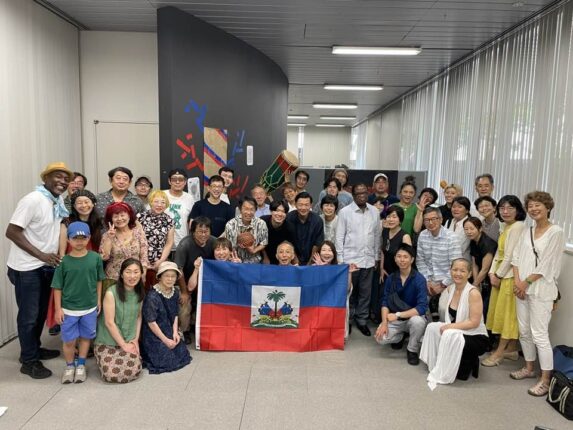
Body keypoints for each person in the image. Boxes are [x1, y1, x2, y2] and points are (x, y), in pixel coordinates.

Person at [6, 161, 73, 378]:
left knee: (41, 313)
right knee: (29, 315)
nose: (62, 181)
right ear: (45, 178)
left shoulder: (56, 200)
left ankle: (33, 349)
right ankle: (28, 361)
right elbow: (12, 231)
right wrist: (42, 255)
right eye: (58, 176)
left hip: (46, 266)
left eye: (66, 179)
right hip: (27, 268)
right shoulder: (33, 199)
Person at [510, 191, 565, 397]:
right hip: (522, 288)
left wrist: (525, 283)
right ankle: (529, 368)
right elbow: (516, 257)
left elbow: (547, 264)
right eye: (530, 206)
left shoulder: (556, 232)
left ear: (548, 207)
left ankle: (545, 379)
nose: (533, 209)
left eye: (538, 205)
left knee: (539, 335)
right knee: (524, 331)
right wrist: (517, 282)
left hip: (541, 289)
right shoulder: (528, 230)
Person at [420, 259, 489, 389]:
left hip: (476, 336)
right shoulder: (450, 289)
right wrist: (447, 326)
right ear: (450, 271)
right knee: (432, 327)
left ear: (469, 274)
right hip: (459, 330)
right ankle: (437, 363)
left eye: (462, 271)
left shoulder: (473, 293)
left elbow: (474, 323)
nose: (458, 273)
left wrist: (449, 327)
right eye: (455, 270)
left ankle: (470, 359)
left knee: (449, 333)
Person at [52, 222, 105, 384]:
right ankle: (70, 366)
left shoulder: (95, 258)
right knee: (69, 340)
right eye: (75, 238)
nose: (79, 242)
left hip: (89, 307)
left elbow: (99, 280)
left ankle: (81, 364)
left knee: (85, 338)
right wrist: (58, 309)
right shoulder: (63, 262)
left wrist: (98, 300)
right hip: (69, 309)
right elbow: (57, 287)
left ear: (88, 238)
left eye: (83, 238)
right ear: (68, 240)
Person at [481, 195, 526, 367]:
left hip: (509, 277)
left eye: (510, 208)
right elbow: (498, 254)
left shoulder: (518, 226)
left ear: (518, 210)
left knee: (508, 317)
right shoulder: (506, 226)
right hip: (500, 275)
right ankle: (512, 349)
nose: (505, 212)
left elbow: (510, 256)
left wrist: (497, 275)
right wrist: (492, 273)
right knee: (501, 313)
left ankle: (499, 353)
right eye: (502, 208)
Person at [336, 183, 381, 336]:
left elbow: (377, 235)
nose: (361, 196)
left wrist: (376, 257)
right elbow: (339, 237)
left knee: (365, 293)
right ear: (353, 195)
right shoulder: (344, 212)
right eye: (358, 193)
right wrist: (341, 260)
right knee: (350, 292)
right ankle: (348, 320)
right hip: (350, 261)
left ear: (368, 193)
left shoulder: (374, 211)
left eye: (364, 193)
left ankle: (362, 320)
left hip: (368, 260)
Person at [375, 244, 428, 365]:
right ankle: (401, 336)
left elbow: (422, 307)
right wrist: (384, 323)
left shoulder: (419, 279)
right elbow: (385, 302)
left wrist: (398, 315)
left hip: (411, 318)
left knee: (418, 322)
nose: (402, 260)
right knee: (381, 338)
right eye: (399, 256)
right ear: (395, 259)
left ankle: (412, 349)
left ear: (412, 259)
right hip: (396, 320)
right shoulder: (391, 278)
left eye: (405, 257)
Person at [94, 258, 144, 383]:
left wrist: (135, 339)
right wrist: (123, 346)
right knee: (112, 374)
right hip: (107, 340)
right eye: (128, 272)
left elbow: (139, 317)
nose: (132, 276)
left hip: (129, 338)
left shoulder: (140, 293)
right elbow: (109, 323)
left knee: (133, 370)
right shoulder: (111, 293)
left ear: (141, 274)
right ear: (121, 274)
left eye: (136, 272)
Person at [141, 261, 192, 374]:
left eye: (173, 276)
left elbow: (175, 314)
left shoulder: (175, 292)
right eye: (166, 276)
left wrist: (175, 332)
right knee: (166, 360)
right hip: (154, 332)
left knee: (181, 352)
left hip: (168, 328)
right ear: (160, 277)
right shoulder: (152, 296)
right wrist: (165, 340)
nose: (170, 279)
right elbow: (151, 322)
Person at [174, 216, 216, 343]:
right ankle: (184, 331)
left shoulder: (214, 242)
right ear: (193, 231)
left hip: (206, 283)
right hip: (185, 281)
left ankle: (200, 326)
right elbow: (179, 270)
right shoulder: (184, 244)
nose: (203, 235)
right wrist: (184, 292)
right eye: (200, 231)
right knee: (184, 304)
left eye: (206, 231)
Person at [416, 207, 462, 321]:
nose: (430, 223)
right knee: (419, 304)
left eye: (434, 219)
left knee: (442, 308)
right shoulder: (422, 235)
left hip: (448, 281)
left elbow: (456, 266)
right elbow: (420, 261)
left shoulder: (451, 237)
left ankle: (443, 329)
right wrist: (427, 281)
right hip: (428, 281)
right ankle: (427, 328)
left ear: (441, 220)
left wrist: (442, 285)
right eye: (427, 220)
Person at [99, 202, 149, 288]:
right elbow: (104, 257)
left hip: (134, 278)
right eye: (115, 216)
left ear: (129, 216)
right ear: (111, 220)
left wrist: (143, 273)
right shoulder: (107, 235)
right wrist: (110, 238)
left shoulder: (138, 233)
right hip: (113, 279)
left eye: (122, 215)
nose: (120, 219)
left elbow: (144, 256)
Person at [137, 190, 175, 288]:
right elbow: (136, 239)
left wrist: (161, 260)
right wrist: (143, 261)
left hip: (159, 261)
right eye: (156, 201)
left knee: (157, 289)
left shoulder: (169, 220)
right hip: (140, 259)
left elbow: (169, 243)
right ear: (151, 202)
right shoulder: (140, 217)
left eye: (163, 202)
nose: (159, 205)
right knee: (141, 288)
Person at [464, 217, 497, 321]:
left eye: (472, 228)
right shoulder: (473, 241)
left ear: (480, 229)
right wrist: (476, 283)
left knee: (485, 310)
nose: (469, 232)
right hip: (480, 279)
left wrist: (475, 284)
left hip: (490, 280)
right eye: (466, 229)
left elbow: (485, 269)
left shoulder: (487, 243)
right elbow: (475, 264)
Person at [224, 196, 268, 263]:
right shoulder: (230, 224)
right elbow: (228, 246)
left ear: (256, 210)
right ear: (240, 209)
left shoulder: (261, 224)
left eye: (252, 209)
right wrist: (235, 257)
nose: (248, 212)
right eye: (246, 209)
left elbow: (264, 242)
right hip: (235, 261)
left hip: (255, 261)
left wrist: (254, 250)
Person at [164, 168, 197, 254]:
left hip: (183, 245)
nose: (177, 182)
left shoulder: (189, 198)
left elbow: (192, 220)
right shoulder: (162, 195)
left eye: (181, 179)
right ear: (169, 181)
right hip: (163, 245)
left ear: (185, 182)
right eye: (174, 179)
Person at [286, 192, 324, 265]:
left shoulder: (317, 220)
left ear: (311, 205)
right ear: (296, 204)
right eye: (300, 205)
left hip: (312, 259)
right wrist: (295, 260)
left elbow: (317, 243)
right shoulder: (289, 218)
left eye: (306, 205)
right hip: (292, 258)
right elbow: (288, 241)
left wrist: (309, 263)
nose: (303, 208)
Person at [261, 200, 293, 265]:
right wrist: (265, 257)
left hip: (281, 257)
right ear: (271, 211)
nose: (280, 214)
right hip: (262, 255)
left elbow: (290, 246)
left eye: (283, 212)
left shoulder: (290, 227)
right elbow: (259, 241)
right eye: (277, 211)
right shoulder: (262, 222)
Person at [446, 196, 471, 260]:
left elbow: (461, 247)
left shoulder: (470, 224)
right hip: (447, 259)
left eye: (460, 207)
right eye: (454, 206)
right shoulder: (449, 221)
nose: (456, 209)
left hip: (463, 261)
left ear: (467, 210)